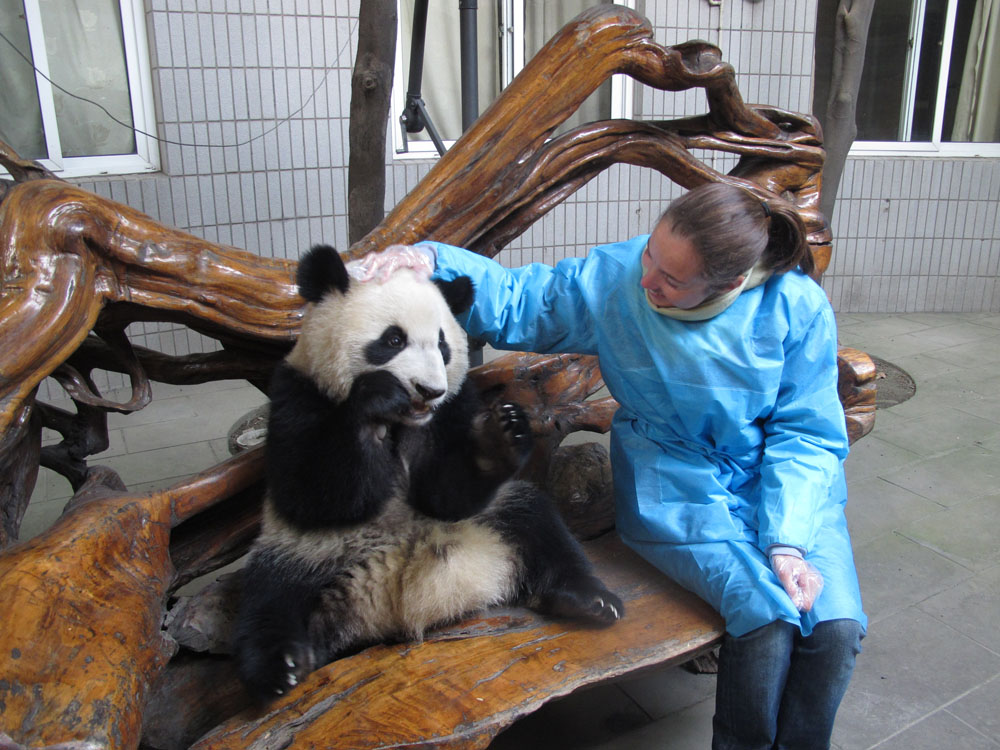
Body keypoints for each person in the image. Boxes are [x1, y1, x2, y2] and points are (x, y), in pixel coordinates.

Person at [353, 182, 866, 749]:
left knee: (834, 629)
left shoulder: (796, 307)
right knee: (766, 618)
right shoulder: (621, 278)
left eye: (672, 280)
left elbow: (808, 432)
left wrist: (787, 540)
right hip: (673, 480)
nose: (646, 279)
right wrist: (429, 260)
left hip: (789, 480)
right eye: (651, 253)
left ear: (729, 283)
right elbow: (530, 298)